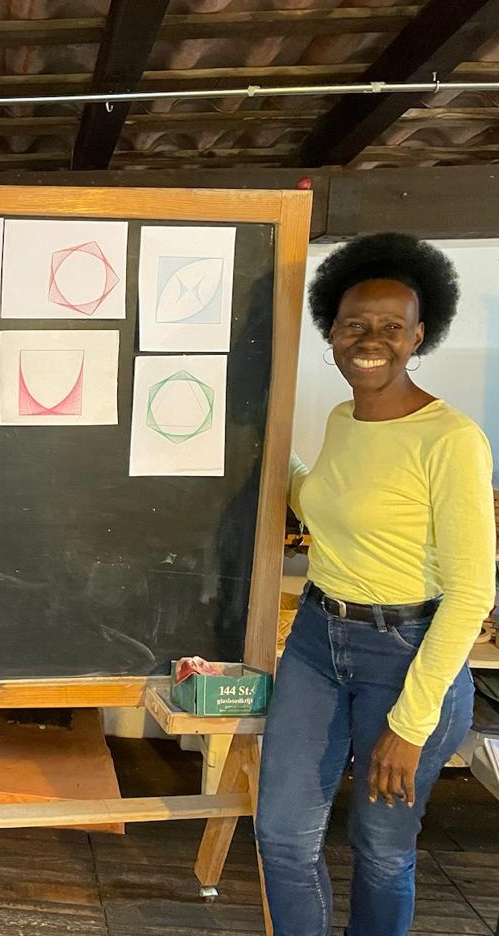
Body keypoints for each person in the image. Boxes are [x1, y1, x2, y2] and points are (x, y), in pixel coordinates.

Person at [255, 233, 496, 936]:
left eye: (392, 327)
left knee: (382, 849)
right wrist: (262, 443)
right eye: (354, 324)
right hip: (315, 644)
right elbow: (323, 501)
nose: (371, 340)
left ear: (418, 336)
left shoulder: (450, 440)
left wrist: (410, 727)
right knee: (281, 836)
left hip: (408, 655)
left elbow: (472, 593)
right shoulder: (343, 419)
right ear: (331, 330)